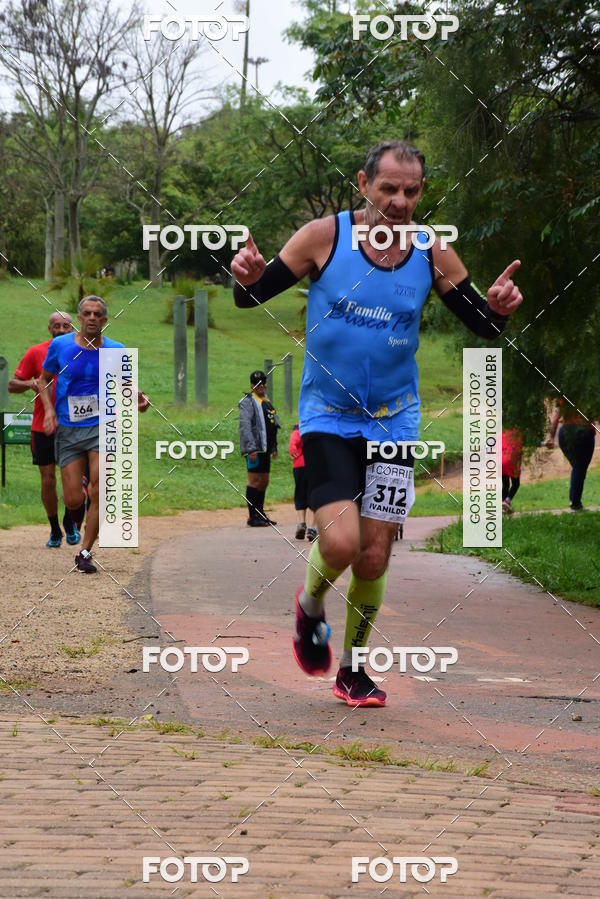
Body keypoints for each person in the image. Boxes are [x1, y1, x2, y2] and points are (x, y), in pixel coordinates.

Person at [232, 139, 523, 707]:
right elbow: (252, 295)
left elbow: (481, 324)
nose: (399, 201)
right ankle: (310, 606)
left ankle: (353, 668)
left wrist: (500, 310)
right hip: (328, 417)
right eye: (388, 188)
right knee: (340, 541)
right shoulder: (324, 236)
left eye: (411, 191)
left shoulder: (431, 251)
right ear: (364, 185)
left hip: (394, 422)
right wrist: (244, 275)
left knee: (374, 552)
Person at [37, 296, 150, 573]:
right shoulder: (60, 346)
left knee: (104, 491)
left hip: (104, 426)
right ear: (79, 317)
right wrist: (49, 411)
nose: (91, 318)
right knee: (74, 499)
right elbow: (43, 380)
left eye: (97, 314)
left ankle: (85, 551)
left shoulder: (116, 350)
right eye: (86, 313)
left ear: (104, 320)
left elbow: (127, 386)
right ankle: (80, 499)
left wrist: (139, 398)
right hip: (69, 427)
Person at [8, 311, 83, 548]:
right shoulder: (36, 352)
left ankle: (69, 521)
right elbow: (12, 384)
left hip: (75, 426)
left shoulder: (82, 352)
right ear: (49, 328)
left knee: (76, 479)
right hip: (43, 426)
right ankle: (54, 529)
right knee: (48, 480)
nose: (61, 330)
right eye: (56, 326)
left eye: (66, 326)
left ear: (73, 328)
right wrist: (30, 383)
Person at [239, 370, 280, 527]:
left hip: (266, 449)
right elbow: (245, 426)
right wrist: (251, 448)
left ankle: (260, 513)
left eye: (263, 383)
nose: (260, 386)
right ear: (251, 385)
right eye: (257, 384)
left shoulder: (267, 402)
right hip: (255, 449)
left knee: (264, 481)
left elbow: (273, 424)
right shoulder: (248, 402)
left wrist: (274, 446)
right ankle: (252, 516)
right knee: (254, 481)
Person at [546, 402, 596, 510]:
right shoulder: (590, 391)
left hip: (565, 432)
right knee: (579, 468)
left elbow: (556, 415)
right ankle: (574, 503)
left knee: (578, 468)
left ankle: (576, 502)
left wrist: (551, 435)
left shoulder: (566, 392)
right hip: (583, 431)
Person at [289, 422, 317, 541]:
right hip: (315, 465)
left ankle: (302, 523)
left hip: (300, 466)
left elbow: (293, 442)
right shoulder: (321, 425)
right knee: (316, 494)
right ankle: (313, 528)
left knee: (300, 493)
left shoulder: (300, 426)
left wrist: (294, 450)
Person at [501, 427, 523, 514]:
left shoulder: (502, 431)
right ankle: (507, 501)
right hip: (512, 460)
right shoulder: (519, 432)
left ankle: (503, 505)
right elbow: (533, 442)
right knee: (516, 484)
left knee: (505, 484)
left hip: (501, 460)